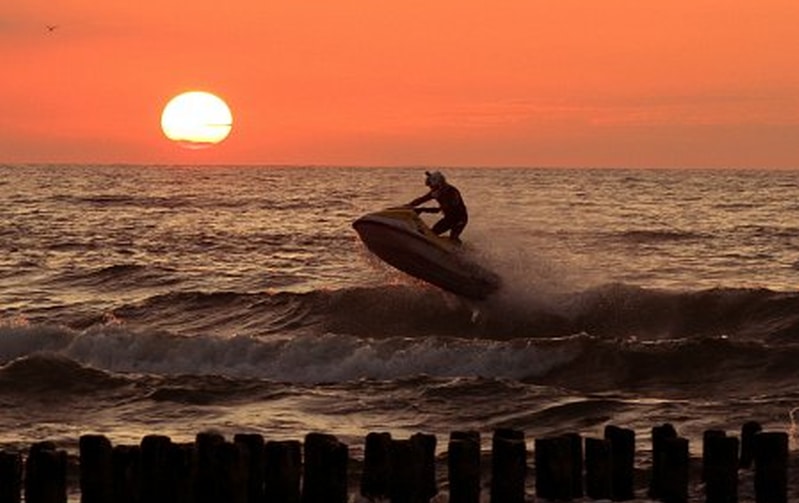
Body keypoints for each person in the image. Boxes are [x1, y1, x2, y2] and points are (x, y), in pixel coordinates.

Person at [407, 171, 468, 242]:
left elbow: (444, 208)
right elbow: (422, 199)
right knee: (432, 234)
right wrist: (409, 205)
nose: (431, 189)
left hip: (460, 219)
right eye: (430, 187)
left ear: (439, 184)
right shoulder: (436, 192)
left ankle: (460, 250)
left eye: (432, 186)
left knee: (453, 237)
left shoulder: (452, 192)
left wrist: (423, 210)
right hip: (449, 218)